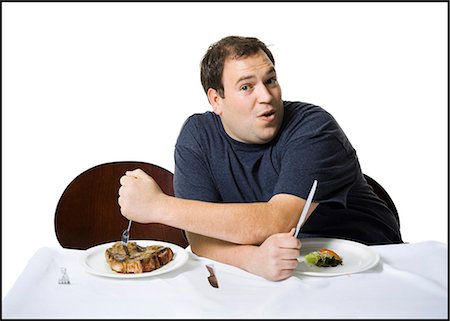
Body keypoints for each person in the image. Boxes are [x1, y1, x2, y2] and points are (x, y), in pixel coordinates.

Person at [118, 35, 402, 281]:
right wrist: (251, 260)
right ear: (216, 100)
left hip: (370, 262)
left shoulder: (315, 128)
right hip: (286, 270)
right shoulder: (198, 137)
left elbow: (276, 221)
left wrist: (158, 207)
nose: (266, 96)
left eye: (271, 80)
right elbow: (200, 238)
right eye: (246, 87)